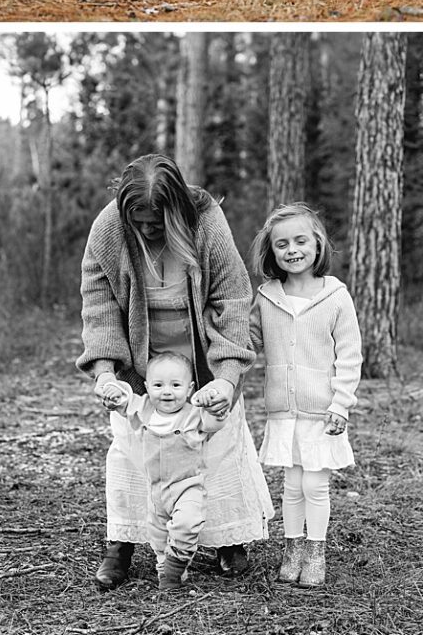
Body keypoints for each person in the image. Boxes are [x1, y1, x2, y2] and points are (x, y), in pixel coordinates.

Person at [77, 154, 268, 588]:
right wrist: (106, 372)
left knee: (216, 447)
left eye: (157, 221)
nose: (147, 229)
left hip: (201, 363)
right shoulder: (109, 229)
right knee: (132, 450)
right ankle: (122, 543)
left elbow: (232, 299)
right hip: (143, 366)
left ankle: (226, 540)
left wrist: (227, 375)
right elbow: (99, 303)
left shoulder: (207, 224)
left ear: (178, 208)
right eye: (138, 221)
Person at [246, 204, 362, 588]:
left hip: (322, 411)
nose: (292, 250)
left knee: (315, 485)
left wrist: (341, 404)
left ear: (317, 244)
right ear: (271, 251)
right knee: (292, 485)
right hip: (284, 410)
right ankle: (292, 546)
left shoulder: (335, 296)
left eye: (300, 240)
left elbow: (349, 354)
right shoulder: (266, 296)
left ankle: (316, 548)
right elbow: (248, 340)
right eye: (282, 244)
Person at [96, 353, 224, 587]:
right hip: (156, 490)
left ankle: (176, 565)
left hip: (188, 486)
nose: (166, 391)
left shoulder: (194, 414)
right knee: (158, 537)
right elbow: (125, 400)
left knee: (186, 523)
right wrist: (115, 392)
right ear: (146, 387)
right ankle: (168, 573)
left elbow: (215, 421)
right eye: (158, 385)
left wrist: (212, 402)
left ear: (190, 388)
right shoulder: (144, 409)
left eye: (175, 385)